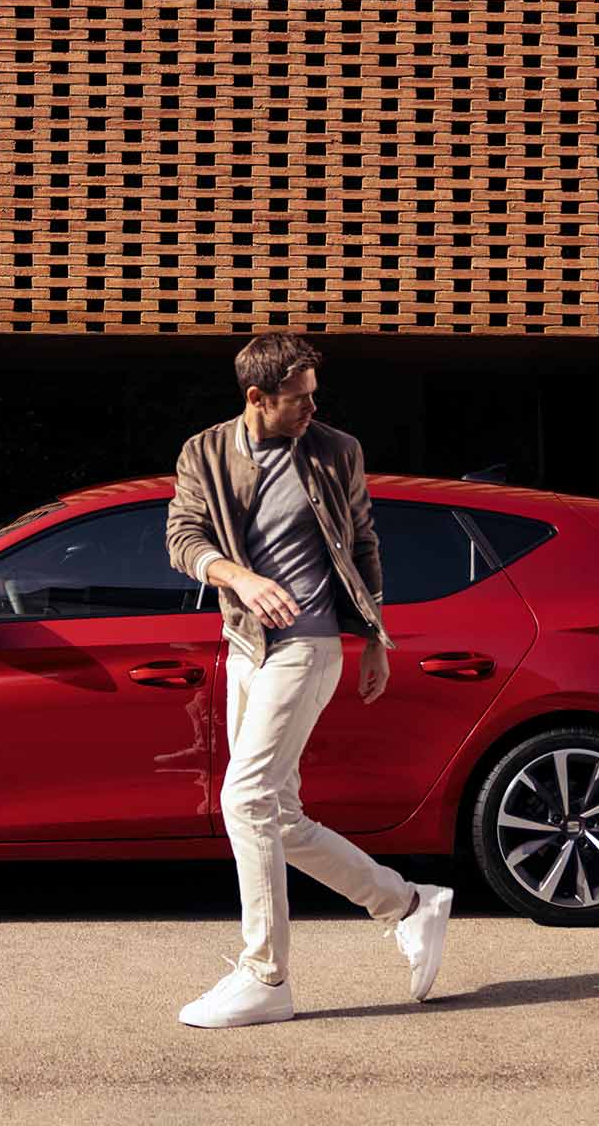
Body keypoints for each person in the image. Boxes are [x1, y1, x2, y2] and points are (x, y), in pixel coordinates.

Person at [164, 330, 453, 1028]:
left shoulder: (336, 450)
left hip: (311, 644)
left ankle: (266, 975)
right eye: (297, 399)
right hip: (246, 644)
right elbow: (183, 538)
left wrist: (376, 639)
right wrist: (239, 576)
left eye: (314, 396)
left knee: (246, 800)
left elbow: (361, 542)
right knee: (277, 815)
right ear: (256, 398)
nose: (310, 410)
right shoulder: (204, 452)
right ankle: (408, 904)